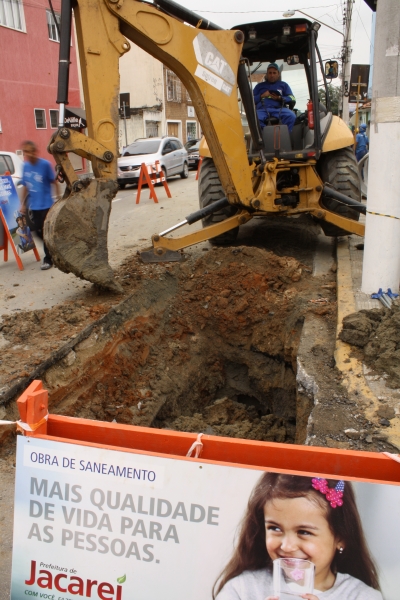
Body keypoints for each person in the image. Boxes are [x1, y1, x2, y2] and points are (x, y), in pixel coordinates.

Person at [214, 473, 382, 600]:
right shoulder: (242, 590)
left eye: (304, 532)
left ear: (340, 537)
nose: (287, 546)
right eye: (275, 528)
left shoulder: (363, 597)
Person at [19, 140, 60, 270]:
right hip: (35, 207)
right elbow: (25, 186)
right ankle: (54, 250)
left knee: (45, 231)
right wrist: (23, 204)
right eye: (26, 152)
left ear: (35, 152)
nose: (29, 154)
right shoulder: (25, 166)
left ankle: (48, 259)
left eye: (31, 151)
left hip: (47, 205)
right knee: (37, 233)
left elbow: (54, 182)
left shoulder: (45, 165)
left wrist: (58, 199)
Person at [253, 63, 296, 132]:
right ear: (267, 74)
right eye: (270, 73)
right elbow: (251, 100)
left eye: (274, 73)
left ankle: (283, 137)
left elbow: (292, 98)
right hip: (262, 110)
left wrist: (280, 98)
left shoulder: (284, 85)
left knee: (291, 116)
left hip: (279, 109)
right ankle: (265, 137)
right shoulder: (259, 86)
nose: (272, 75)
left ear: (278, 74)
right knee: (254, 118)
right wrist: (261, 96)